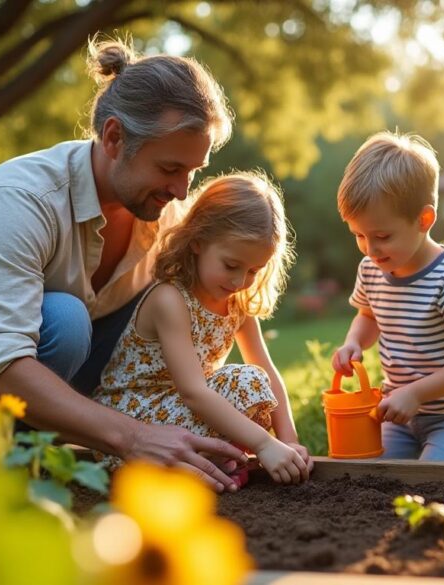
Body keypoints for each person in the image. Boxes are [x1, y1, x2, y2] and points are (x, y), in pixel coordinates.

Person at [0, 39, 248, 492]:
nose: (181, 191)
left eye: (192, 172)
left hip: (55, 369)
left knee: (159, 303)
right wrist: (133, 436)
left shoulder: (163, 212)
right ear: (115, 137)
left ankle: (65, 444)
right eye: (169, 168)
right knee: (64, 318)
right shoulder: (22, 201)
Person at [93, 172, 311, 484]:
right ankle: (207, 465)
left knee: (251, 380)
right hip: (139, 422)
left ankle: (217, 461)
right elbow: (193, 391)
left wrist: (289, 440)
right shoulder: (170, 299)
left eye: (253, 271)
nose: (239, 281)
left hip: (183, 412)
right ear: (198, 242)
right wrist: (264, 444)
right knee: (243, 382)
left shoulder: (237, 300)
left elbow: (264, 366)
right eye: (231, 265)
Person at [330, 132, 444, 461]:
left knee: (433, 481)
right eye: (359, 236)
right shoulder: (372, 270)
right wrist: (354, 344)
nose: (370, 249)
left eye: (382, 236)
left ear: (424, 219)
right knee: (378, 477)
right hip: (400, 415)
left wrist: (416, 394)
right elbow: (368, 316)